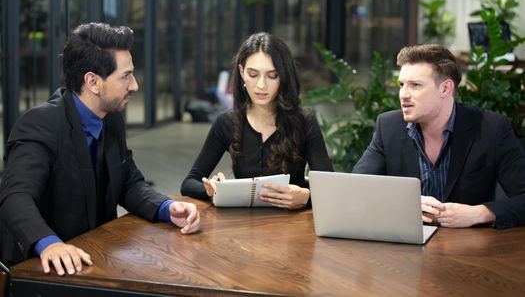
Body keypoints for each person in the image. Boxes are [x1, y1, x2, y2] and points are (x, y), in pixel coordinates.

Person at [0, 23, 200, 275]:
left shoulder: (111, 118)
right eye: (125, 76)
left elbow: (129, 183)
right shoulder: (40, 124)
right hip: (38, 268)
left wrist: (166, 208)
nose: (135, 85)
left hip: (95, 256)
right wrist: (49, 244)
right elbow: (15, 197)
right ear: (93, 82)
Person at [353, 44, 525, 228]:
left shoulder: (492, 129)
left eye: (415, 85)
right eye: (401, 85)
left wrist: (479, 213)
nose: (403, 95)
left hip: (468, 249)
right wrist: (403, 205)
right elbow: (356, 189)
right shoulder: (389, 127)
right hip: (405, 246)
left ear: (445, 89)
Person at [181, 32, 333, 209]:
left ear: (283, 77)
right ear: (241, 72)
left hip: (293, 226)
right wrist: (210, 189)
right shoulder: (227, 122)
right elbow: (189, 183)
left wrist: (306, 196)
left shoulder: (304, 121)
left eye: (272, 75)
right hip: (244, 227)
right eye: (253, 74)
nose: (261, 85)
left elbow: (329, 187)